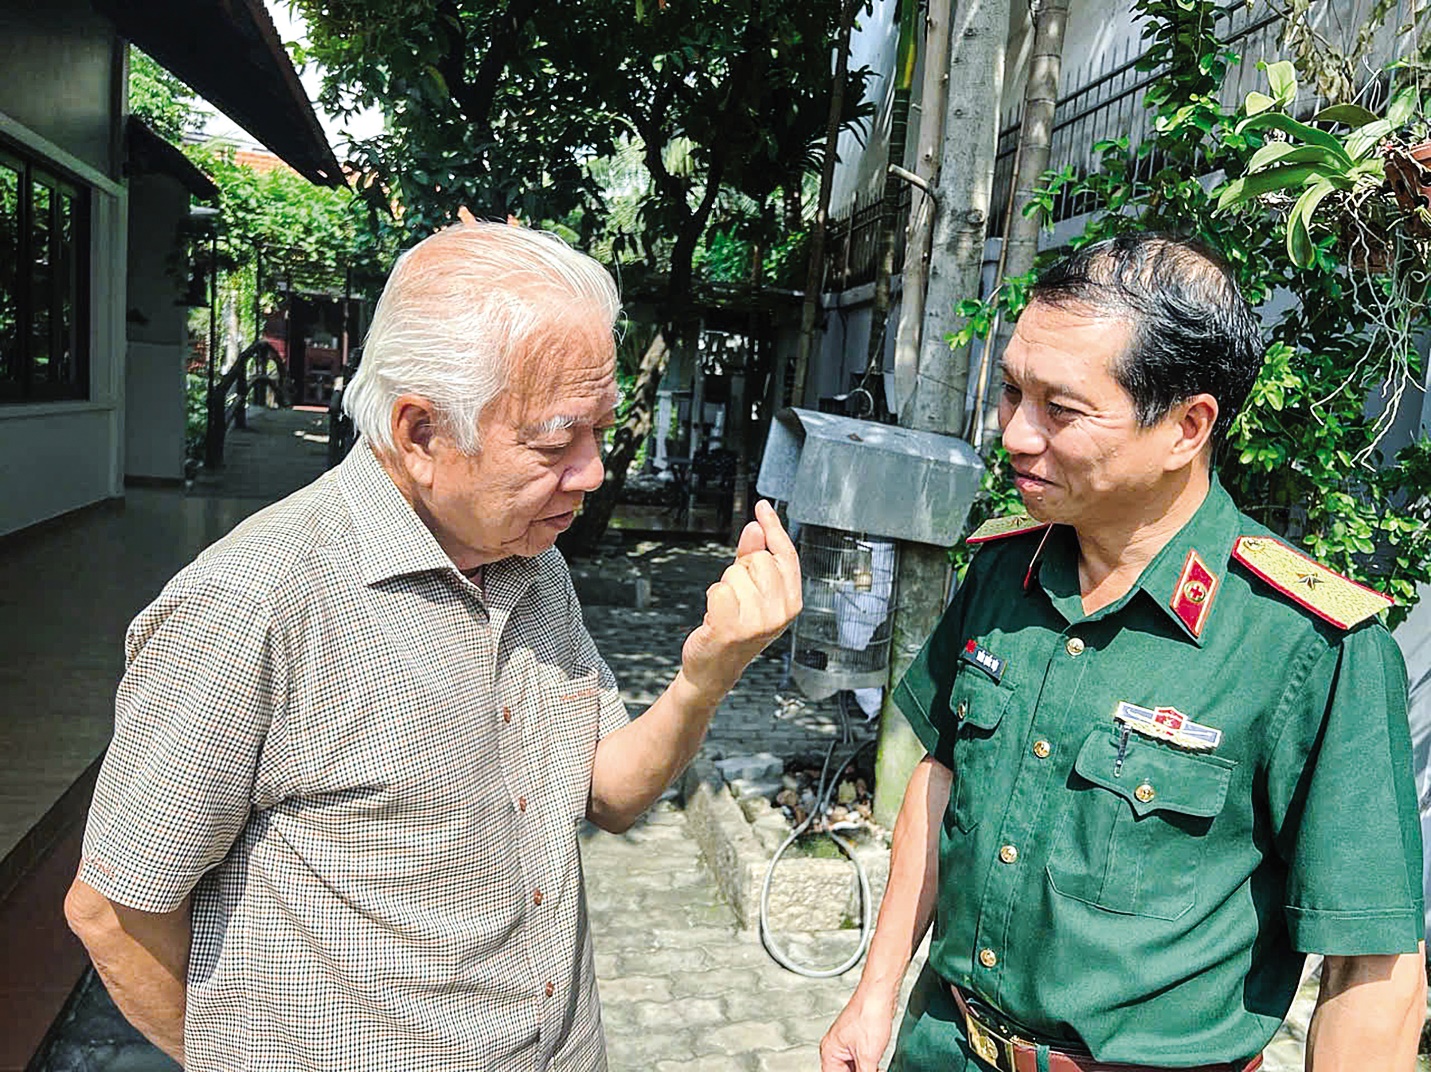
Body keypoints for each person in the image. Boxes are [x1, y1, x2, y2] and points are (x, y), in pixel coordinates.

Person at [65, 219, 803, 1071]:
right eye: (557, 441)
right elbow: (112, 912)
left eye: (600, 431)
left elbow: (608, 791)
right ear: (420, 434)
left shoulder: (529, 562)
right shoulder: (252, 604)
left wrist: (705, 676)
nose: (594, 472)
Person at [822, 233, 1426, 1072]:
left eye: (1059, 410)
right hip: (943, 1047)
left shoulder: (1307, 646)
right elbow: (941, 779)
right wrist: (876, 989)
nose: (1015, 437)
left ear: (1186, 425)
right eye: (1009, 392)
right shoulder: (1004, 568)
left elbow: (1372, 964)